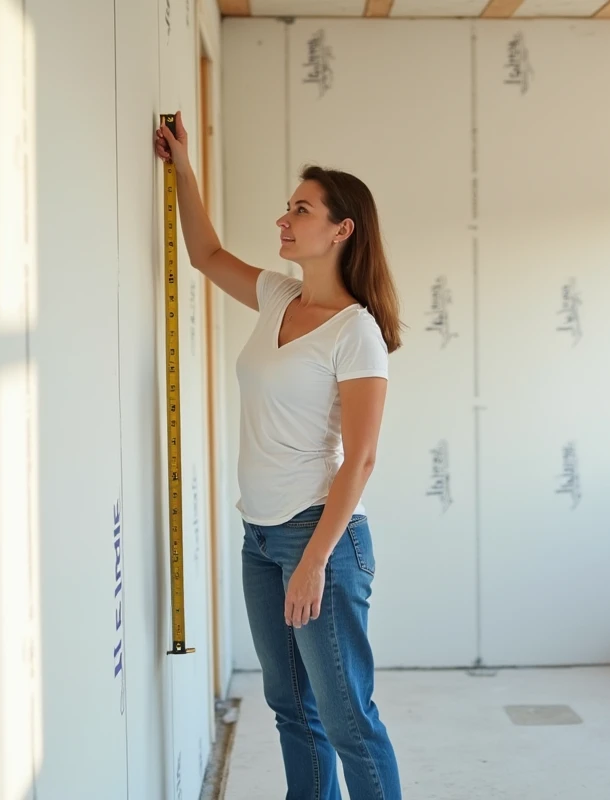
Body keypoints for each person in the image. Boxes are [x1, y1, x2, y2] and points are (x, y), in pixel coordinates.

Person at [155, 111, 403, 800]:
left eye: (301, 210)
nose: (283, 220)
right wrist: (183, 168)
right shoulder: (276, 296)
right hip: (260, 539)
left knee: (349, 721)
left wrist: (315, 561)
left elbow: (361, 459)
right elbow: (205, 255)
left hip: (318, 538)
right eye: (288, 208)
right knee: (293, 711)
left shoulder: (356, 333)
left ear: (341, 230)